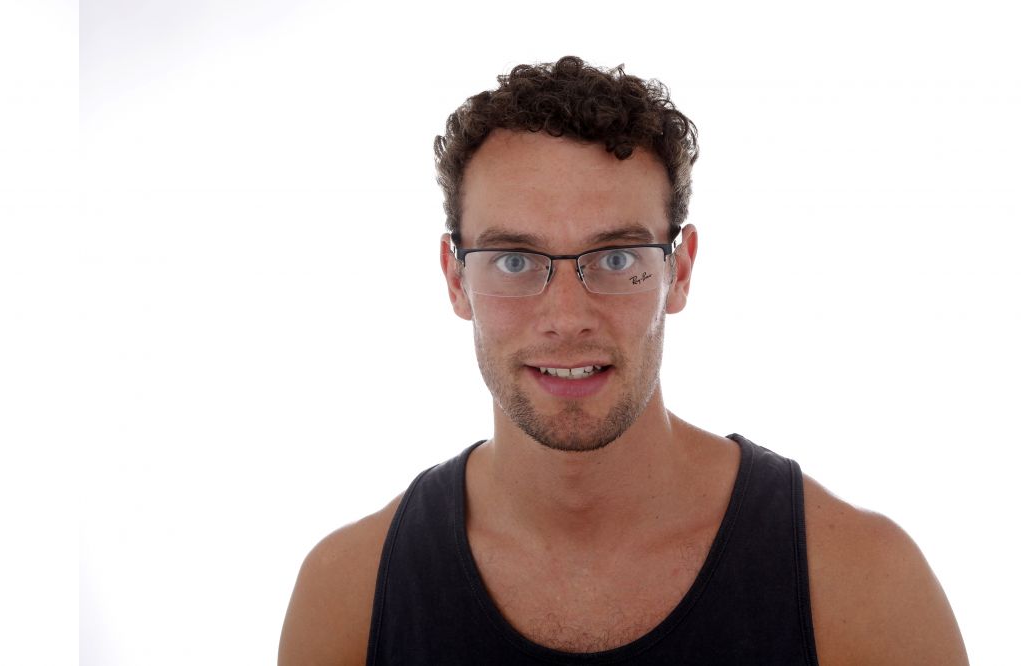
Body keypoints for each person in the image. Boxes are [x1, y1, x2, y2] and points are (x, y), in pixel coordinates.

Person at [272, 56, 971, 665]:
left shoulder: (860, 583)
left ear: (680, 271)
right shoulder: (348, 592)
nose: (568, 317)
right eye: (513, 260)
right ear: (456, 279)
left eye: (615, 259)